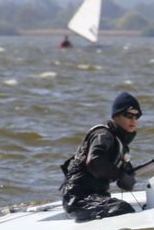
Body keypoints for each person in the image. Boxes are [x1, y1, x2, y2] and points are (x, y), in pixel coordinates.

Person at [59, 92, 142, 222]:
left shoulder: (120, 145)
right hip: (77, 199)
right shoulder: (103, 135)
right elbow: (94, 161)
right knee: (122, 208)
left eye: (137, 116)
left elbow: (122, 173)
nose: (133, 120)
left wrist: (128, 177)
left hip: (96, 197)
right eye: (128, 115)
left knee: (123, 208)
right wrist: (120, 175)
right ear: (116, 116)